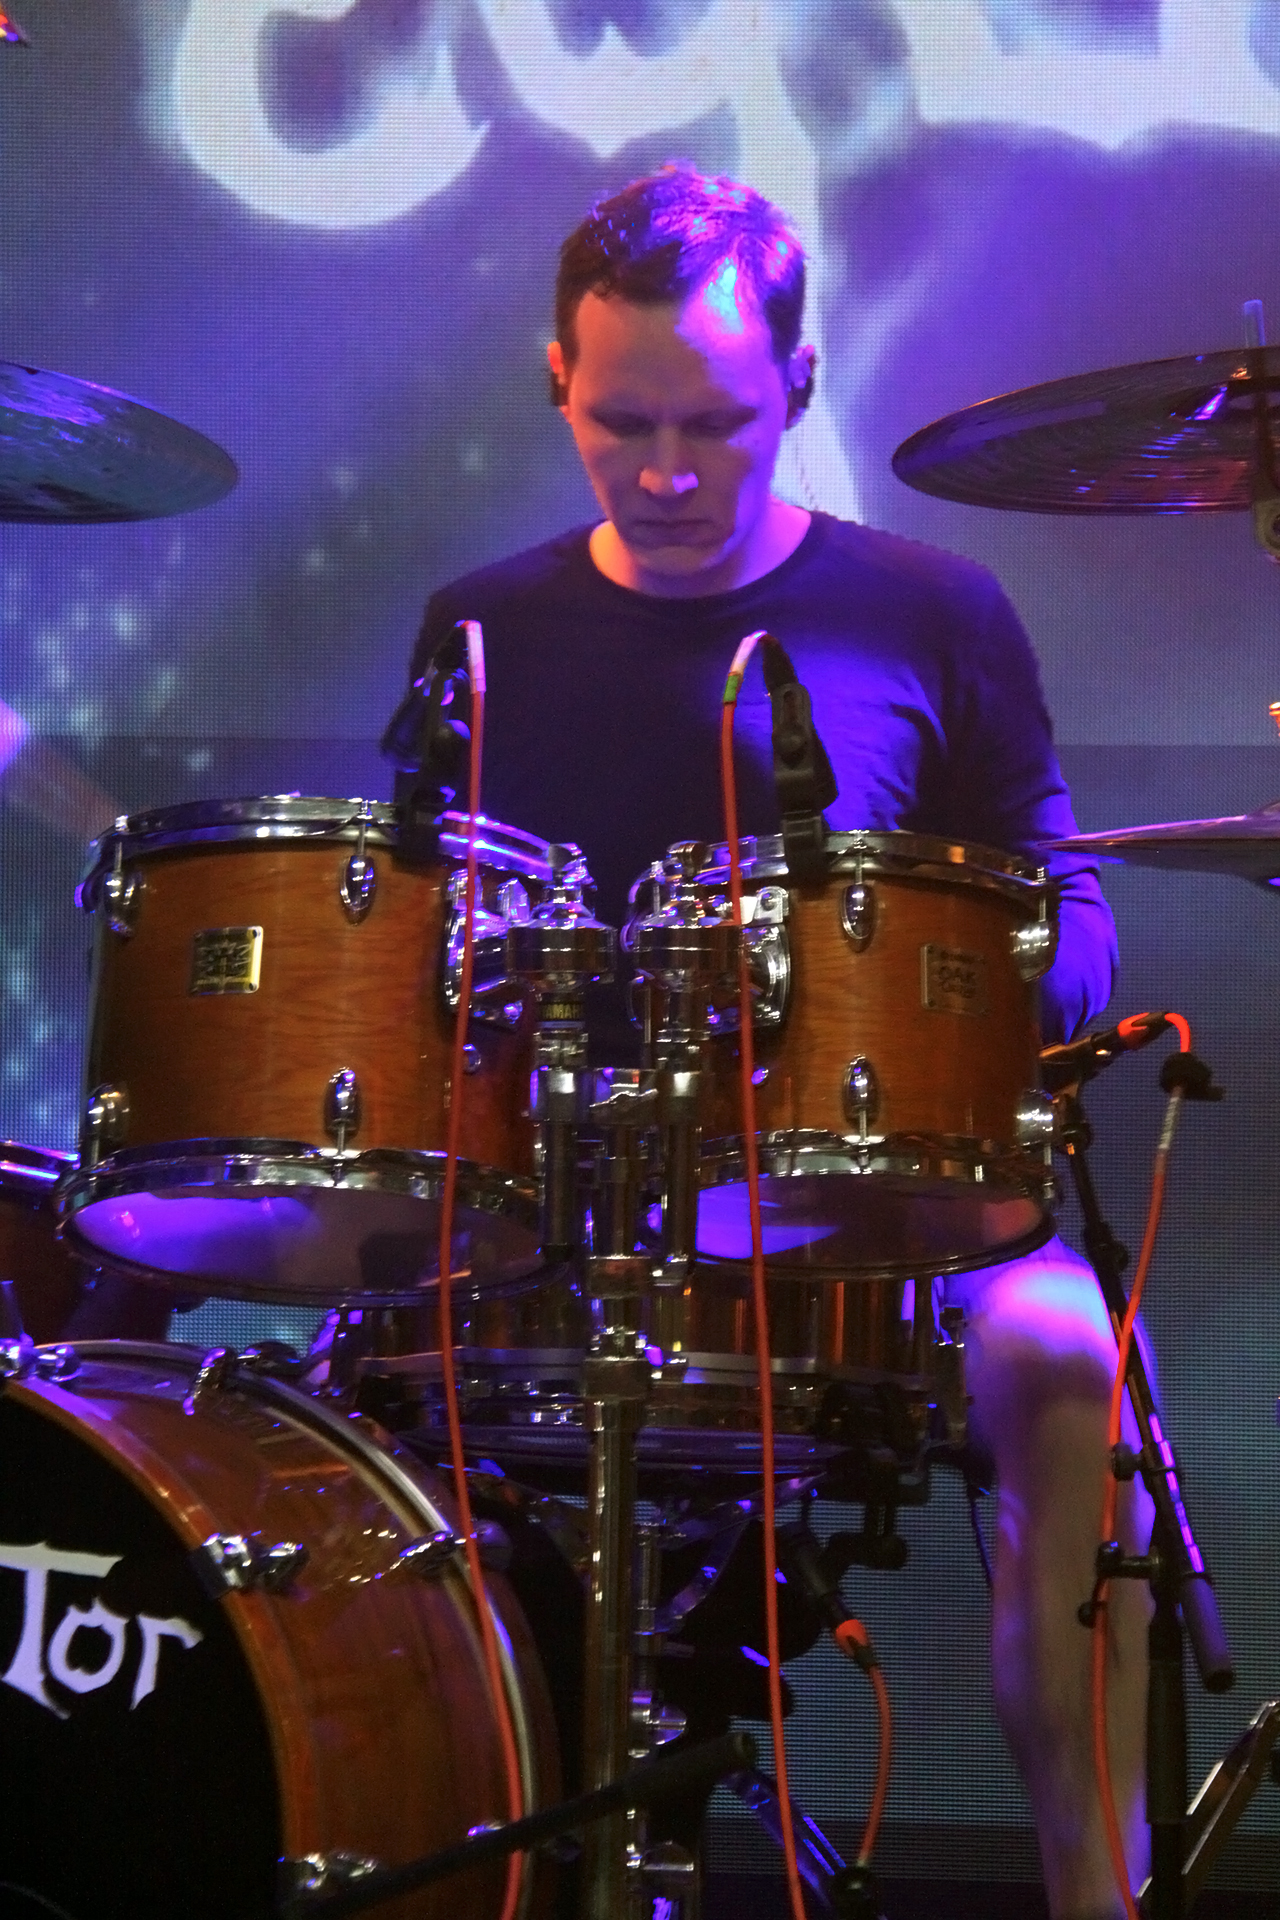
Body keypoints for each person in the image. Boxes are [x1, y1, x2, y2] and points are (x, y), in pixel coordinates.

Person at [400, 167, 1153, 1920]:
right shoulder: (481, 627)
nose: (667, 472)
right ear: (556, 384)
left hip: (874, 1212)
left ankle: (1094, 1895)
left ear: (801, 387)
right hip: (556, 1211)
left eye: (718, 425)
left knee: (1061, 1355)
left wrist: (974, 990)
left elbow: (1075, 912)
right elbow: (411, 934)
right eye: (623, 424)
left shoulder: (934, 611)